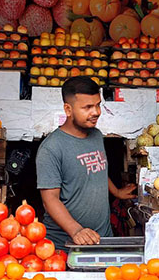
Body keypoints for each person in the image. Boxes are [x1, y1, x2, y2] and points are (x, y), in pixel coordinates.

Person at [36, 77, 136, 250]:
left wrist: (117, 192)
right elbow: (50, 199)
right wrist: (76, 231)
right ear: (68, 109)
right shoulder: (51, 148)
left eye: (97, 105)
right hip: (66, 244)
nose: (96, 112)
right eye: (87, 107)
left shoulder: (95, 135)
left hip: (102, 238)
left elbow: (96, 169)